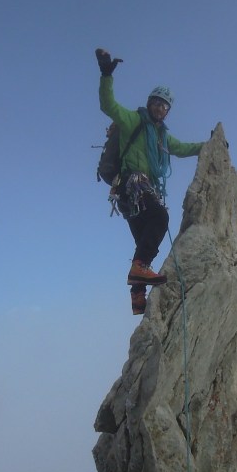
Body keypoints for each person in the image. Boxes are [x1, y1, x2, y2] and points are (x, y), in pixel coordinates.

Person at [96, 47, 204, 315]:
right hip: (132, 184)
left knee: (144, 240)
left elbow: (182, 148)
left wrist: (210, 145)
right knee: (160, 217)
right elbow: (108, 105)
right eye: (157, 102)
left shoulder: (163, 137)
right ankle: (140, 273)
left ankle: (137, 297)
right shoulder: (133, 120)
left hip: (133, 194)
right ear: (149, 103)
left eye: (164, 106)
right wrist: (106, 75)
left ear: (167, 111)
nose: (160, 108)